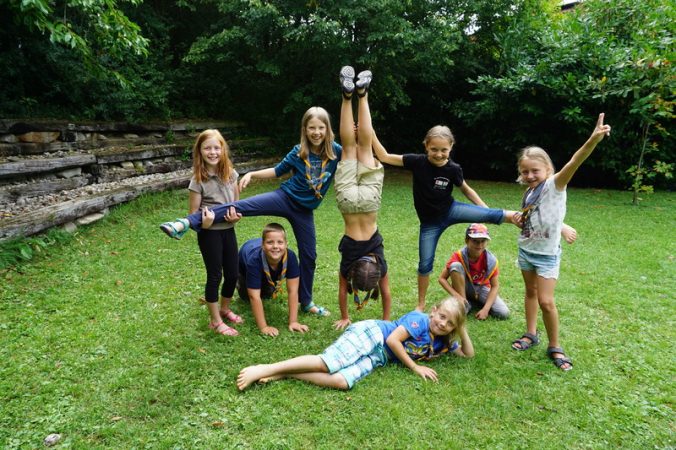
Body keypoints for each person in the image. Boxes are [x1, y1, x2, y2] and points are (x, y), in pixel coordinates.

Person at [161, 107, 343, 317]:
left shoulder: (336, 151)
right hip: (284, 198)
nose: (316, 132)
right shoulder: (298, 151)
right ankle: (185, 223)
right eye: (312, 128)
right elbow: (277, 171)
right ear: (305, 129)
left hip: (304, 211)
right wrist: (253, 174)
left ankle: (306, 301)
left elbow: (359, 150)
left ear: (328, 129)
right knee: (242, 206)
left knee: (309, 255)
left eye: (321, 128)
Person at [372, 125, 521, 312]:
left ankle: (522, 218)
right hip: (430, 224)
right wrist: (370, 132)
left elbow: (466, 189)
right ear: (426, 146)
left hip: (451, 210)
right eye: (434, 149)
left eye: (444, 150)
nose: (439, 154)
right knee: (424, 263)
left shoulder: (453, 169)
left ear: (451, 147)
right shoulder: (417, 162)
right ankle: (420, 304)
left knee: (494, 214)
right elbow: (384, 156)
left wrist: (485, 210)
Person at [511, 113, 611, 372]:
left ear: (548, 169)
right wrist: (526, 220)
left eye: (535, 170)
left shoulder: (555, 184)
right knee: (530, 293)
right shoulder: (529, 192)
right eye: (525, 171)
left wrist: (593, 140)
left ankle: (555, 345)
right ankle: (531, 333)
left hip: (546, 255)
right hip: (526, 250)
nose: (530, 175)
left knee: (546, 301)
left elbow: (575, 160)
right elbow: (540, 215)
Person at [236, 298, 474, 391]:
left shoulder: (442, 341)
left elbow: (468, 354)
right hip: (374, 335)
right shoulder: (420, 320)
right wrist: (415, 367)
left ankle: (287, 373)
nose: (443, 324)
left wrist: (461, 328)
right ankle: (265, 368)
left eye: (450, 323)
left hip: (379, 357)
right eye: (442, 316)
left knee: (341, 382)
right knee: (329, 363)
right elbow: (393, 340)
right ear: (433, 311)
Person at [333, 66, 392, 330]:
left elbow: (387, 295)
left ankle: (362, 94)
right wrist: (346, 316)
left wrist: (387, 320)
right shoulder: (348, 265)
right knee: (349, 146)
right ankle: (347, 97)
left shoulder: (379, 262)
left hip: (368, 203)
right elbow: (342, 290)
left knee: (364, 147)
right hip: (348, 203)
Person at [175, 129, 243, 336]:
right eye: (207, 148)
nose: (212, 152)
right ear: (200, 151)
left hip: (228, 231)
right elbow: (192, 216)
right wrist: (204, 225)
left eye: (216, 147)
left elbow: (237, 204)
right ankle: (215, 321)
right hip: (209, 233)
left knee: (232, 274)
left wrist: (236, 217)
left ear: (223, 149)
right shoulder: (197, 181)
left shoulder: (231, 174)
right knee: (215, 275)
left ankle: (224, 309)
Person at [237, 223, 309, 337]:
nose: (275, 246)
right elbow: (254, 296)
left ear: (286, 244)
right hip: (245, 256)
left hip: (264, 261)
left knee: (267, 294)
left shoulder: (291, 257)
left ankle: (266, 283)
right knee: (246, 297)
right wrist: (264, 327)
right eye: (270, 242)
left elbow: (293, 291)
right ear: (262, 245)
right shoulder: (254, 260)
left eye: (280, 242)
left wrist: (293, 321)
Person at [438, 223, 509, 320]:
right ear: (467, 241)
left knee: (503, 313)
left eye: (483, 241)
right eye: (475, 241)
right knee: (455, 266)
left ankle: (473, 302)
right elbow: (442, 279)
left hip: (481, 288)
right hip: (464, 286)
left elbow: (495, 286)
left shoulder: (491, 260)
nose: (479, 245)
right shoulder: (458, 256)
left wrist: (486, 309)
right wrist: (457, 296)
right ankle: (464, 305)